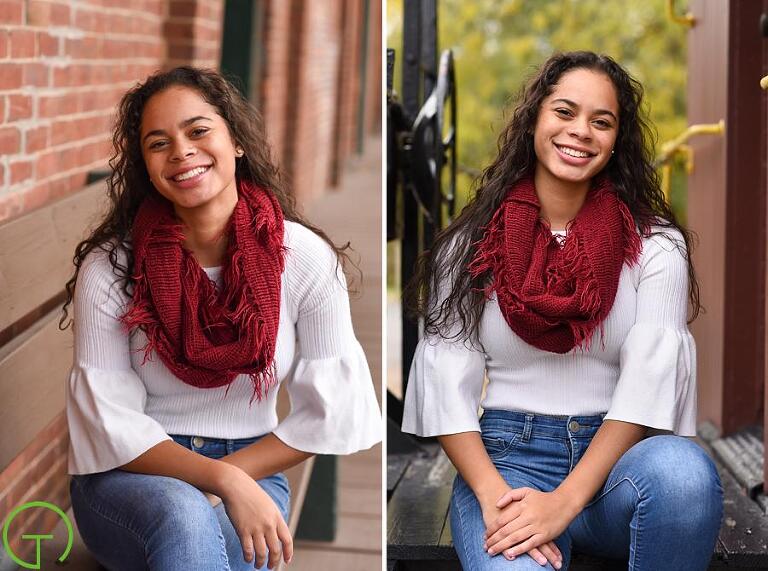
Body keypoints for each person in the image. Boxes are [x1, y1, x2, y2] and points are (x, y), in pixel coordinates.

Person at [402, 51, 723, 570]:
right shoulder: (470, 247)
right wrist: (495, 499)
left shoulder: (657, 246)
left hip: (617, 467)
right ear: (535, 119)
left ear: (617, 141)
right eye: (565, 112)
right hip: (507, 468)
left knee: (685, 475)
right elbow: (446, 388)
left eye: (602, 121)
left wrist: (564, 504)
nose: (581, 132)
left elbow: (647, 389)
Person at [61, 67, 381, 571]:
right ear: (146, 166)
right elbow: (110, 425)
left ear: (235, 142)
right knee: (183, 516)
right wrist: (223, 481)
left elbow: (334, 411)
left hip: (255, 466)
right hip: (127, 478)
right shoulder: (114, 268)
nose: (182, 151)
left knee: (204, 544)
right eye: (158, 142)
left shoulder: (302, 258)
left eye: (198, 130)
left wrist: (233, 473)